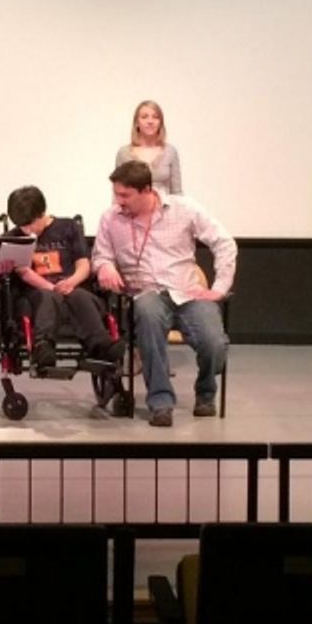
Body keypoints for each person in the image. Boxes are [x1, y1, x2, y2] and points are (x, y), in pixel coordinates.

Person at [91, 162, 234, 427]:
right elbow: (101, 255)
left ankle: (205, 390)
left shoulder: (184, 209)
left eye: (125, 196)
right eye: (116, 194)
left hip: (187, 293)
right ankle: (160, 401)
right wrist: (106, 266)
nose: (118, 201)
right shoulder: (111, 218)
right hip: (146, 293)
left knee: (213, 342)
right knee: (147, 312)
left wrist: (219, 288)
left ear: (146, 190)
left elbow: (224, 242)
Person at [5, 186, 126, 368]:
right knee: (47, 297)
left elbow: (83, 264)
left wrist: (71, 281)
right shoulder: (15, 237)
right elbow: (24, 271)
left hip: (72, 286)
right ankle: (43, 346)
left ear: (42, 212)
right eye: (23, 225)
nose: (28, 230)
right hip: (37, 292)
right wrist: (51, 287)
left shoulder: (68, 227)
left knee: (80, 296)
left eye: (31, 223)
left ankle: (100, 345)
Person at [115, 100, 183, 195]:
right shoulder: (124, 153)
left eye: (155, 117)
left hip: (164, 207)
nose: (150, 121)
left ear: (160, 123)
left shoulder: (170, 151)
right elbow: (118, 193)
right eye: (144, 117)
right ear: (137, 123)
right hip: (134, 209)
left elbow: (177, 193)